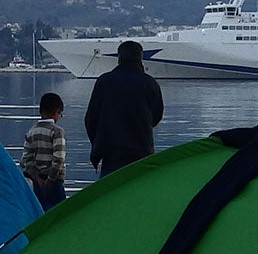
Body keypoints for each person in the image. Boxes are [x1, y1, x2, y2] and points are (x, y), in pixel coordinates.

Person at [83, 41, 164, 176]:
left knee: (110, 194)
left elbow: (90, 119)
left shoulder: (104, 82)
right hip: (141, 153)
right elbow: (156, 117)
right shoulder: (150, 83)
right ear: (141, 59)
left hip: (111, 154)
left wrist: (97, 144)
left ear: (119, 58)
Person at [21, 93, 69, 209]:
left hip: (38, 182)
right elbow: (59, 159)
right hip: (55, 182)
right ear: (55, 112)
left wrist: (37, 178)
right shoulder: (57, 132)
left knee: (42, 212)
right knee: (60, 214)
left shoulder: (32, 131)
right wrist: (51, 179)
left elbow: (26, 160)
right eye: (60, 114)